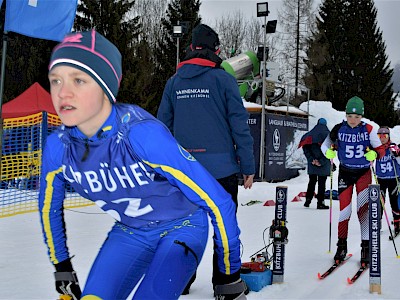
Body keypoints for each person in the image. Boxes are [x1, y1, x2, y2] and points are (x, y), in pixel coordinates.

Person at [38, 30, 248, 300]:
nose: (63, 93)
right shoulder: (58, 148)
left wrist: (229, 276)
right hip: (130, 232)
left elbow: (219, 203)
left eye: (79, 80)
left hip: (181, 226)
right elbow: (49, 208)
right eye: (56, 80)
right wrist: (62, 266)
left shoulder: (141, 135)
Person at [157, 23, 255, 294]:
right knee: (225, 227)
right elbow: (239, 125)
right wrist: (248, 166)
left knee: (184, 227)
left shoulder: (174, 83)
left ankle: (180, 281)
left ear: (190, 49)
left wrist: (161, 170)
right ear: (217, 50)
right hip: (221, 170)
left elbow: (161, 129)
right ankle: (225, 284)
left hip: (184, 171)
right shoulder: (224, 80)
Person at [321, 96, 385, 266]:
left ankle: (366, 247)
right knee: (345, 211)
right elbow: (324, 145)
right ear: (346, 114)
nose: (353, 120)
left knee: (362, 211)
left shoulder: (369, 129)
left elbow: (380, 149)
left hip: (363, 173)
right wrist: (328, 153)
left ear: (362, 116)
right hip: (345, 173)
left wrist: (375, 154)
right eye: (350, 116)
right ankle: (341, 246)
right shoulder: (338, 129)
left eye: (357, 117)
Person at [298, 118, 330, 209]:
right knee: (322, 183)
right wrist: (321, 161)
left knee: (311, 182)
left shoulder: (310, 135)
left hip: (312, 164)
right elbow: (329, 151)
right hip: (323, 165)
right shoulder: (328, 136)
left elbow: (305, 148)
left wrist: (312, 159)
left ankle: (308, 200)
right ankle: (320, 202)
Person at [374, 126, 400, 235]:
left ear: (388, 136)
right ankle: (377, 223)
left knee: (395, 201)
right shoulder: (376, 147)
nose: (382, 138)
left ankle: (397, 222)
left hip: (394, 178)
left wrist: (397, 155)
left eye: (384, 135)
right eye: (380, 135)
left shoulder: (393, 147)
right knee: (380, 202)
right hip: (381, 178)